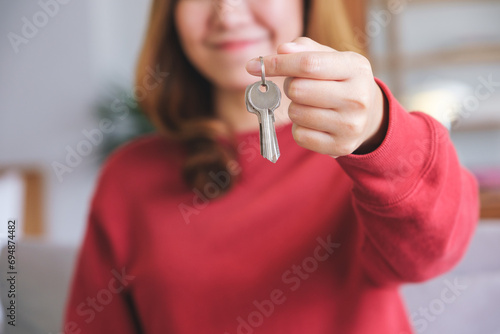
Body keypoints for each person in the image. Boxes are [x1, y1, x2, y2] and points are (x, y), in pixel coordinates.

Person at [63, 0, 479, 333]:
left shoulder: (365, 151)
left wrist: (378, 133)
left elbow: (435, 250)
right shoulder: (128, 177)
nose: (226, 9)